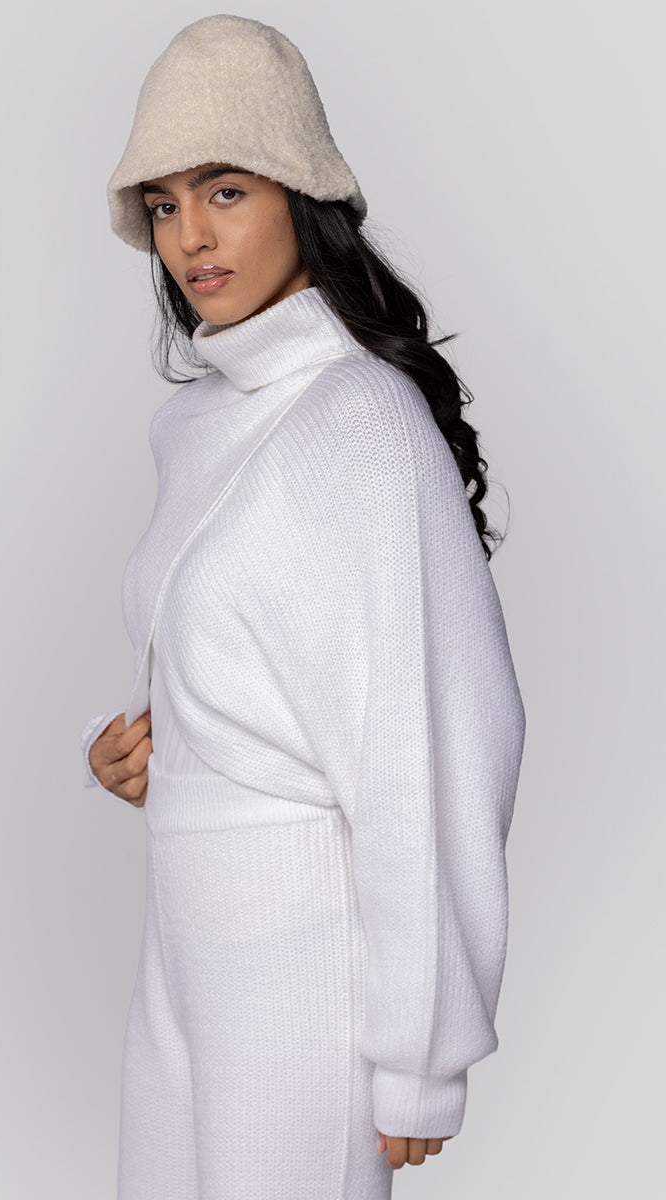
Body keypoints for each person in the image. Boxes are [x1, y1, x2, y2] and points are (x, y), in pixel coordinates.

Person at [81, 14, 525, 1200]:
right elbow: (239, 668)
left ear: (301, 194)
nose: (189, 236)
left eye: (224, 190)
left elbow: (428, 744)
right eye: (163, 204)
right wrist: (149, 750)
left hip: (304, 954)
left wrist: (422, 1050)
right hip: (183, 948)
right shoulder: (199, 423)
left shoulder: (358, 421)